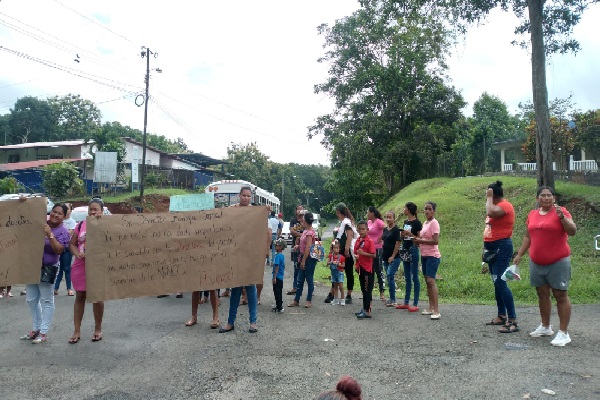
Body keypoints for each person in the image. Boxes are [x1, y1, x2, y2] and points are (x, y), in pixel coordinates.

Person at [513, 186, 577, 346]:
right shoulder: (533, 214)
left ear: (554, 198)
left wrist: (562, 218)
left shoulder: (561, 212)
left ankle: (563, 333)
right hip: (536, 262)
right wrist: (520, 254)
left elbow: (573, 231)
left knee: (560, 295)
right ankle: (545, 326)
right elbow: (528, 237)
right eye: (543, 195)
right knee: (542, 294)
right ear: (537, 199)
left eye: (549, 195)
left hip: (558, 261)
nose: (546, 198)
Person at [219, 185, 271, 334]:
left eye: (248, 196)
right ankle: (230, 322)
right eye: (244, 196)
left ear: (251, 198)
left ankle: (253, 322)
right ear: (239, 196)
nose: (246, 198)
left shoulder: (256, 213)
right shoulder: (232, 210)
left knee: (251, 289)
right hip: (235, 255)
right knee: (235, 290)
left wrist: (265, 210)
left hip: (250, 256)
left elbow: (266, 231)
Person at [20, 201, 70, 344]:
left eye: (60, 213)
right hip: (31, 266)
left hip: (48, 267)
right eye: (54, 211)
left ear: (64, 217)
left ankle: (43, 332)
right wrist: (23, 202)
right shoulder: (39, 223)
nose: (55, 215)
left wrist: (50, 235)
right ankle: (35, 329)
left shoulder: (63, 231)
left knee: (47, 300)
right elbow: (24, 216)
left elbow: (59, 250)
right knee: (31, 300)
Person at [68, 198, 106, 343]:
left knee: (97, 297)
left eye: (96, 209)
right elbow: (72, 244)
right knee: (80, 297)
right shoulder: (80, 225)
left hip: (98, 266)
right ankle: (77, 331)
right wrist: (77, 253)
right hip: (80, 265)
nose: (92, 212)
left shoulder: (106, 225)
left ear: (102, 211)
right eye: (91, 209)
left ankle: (98, 328)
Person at [482, 181, 518, 333]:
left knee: (501, 282)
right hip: (491, 248)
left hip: (502, 248)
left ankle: (513, 320)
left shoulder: (505, 205)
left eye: (488, 193)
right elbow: (488, 228)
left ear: (492, 193)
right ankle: (501, 315)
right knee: (496, 282)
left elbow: (490, 212)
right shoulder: (495, 206)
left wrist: (489, 197)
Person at [412, 201, 441, 320]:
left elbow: (435, 241)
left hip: (432, 256)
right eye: (425, 209)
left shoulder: (434, 223)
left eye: (429, 209)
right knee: (427, 281)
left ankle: (437, 310)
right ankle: (431, 307)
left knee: (431, 281)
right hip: (424, 255)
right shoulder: (425, 223)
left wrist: (421, 241)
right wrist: (416, 240)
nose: (427, 211)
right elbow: (423, 239)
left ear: (434, 211)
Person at [396, 202, 423, 312]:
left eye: (405, 208)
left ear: (409, 209)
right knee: (407, 277)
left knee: (414, 276)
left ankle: (415, 303)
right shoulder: (405, 221)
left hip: (413, 249)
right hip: (405, 249)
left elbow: (418, 240)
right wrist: (403, 234)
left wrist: (410, 234)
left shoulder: (417, 223)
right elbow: (404, 237)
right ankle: (406, 302)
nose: (403, 209)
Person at [288, 212, 317, 308]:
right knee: (300, 280)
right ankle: (296, 300)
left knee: (309, 279)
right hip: (302, 257)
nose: (301, 220)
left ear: (306, 221)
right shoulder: (305, 231)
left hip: (308, 259)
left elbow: (308, 248)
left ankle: (309, 300)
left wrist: (304, 261)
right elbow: (304, 244)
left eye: (303, 219)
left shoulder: (309, 233)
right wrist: (298, 246)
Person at [331, 203, 358, 305]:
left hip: (346, 251)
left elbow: (349, 235)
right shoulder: (342, 222)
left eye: (337, 212)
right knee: (336, 272)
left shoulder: (347, 222)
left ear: (339, 212)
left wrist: (346, 249)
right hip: (339, 250)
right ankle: (333, 294)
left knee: (348, 272)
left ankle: (349, 295)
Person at [354, 220, 376, 319]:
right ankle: (364, 308)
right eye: (360, 229)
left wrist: (363, 254)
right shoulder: (358, 240)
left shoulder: (369, 241)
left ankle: (367, 311)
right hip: (361, 268)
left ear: (367, 230)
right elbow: (357, 253)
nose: (361, 231)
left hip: (368, 269)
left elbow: (373, 255)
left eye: (363, 229)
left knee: (367, 290)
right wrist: (357, 257)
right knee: (363, 289)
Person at [54, 202, 76, 296]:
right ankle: (55, 288)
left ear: (71, 211)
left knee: (67, 268)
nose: (66, 210)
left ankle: (69, 288)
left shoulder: (72, 222)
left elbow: (67, 235)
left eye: (68, 209)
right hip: (57, 247)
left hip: (67, 248)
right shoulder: (58, 221)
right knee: (58, 268)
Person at [381, 211, 402, 307]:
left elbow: (397, 244)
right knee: (389, 278)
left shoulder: (396, 230)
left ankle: (393, 299)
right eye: (387, 217)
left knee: (390, 275)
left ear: (394, 218)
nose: (388, 219)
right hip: (385, 257)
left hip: (394, 257)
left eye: (390, 217)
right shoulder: (385, 229)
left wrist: (393, 256)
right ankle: (391, 298)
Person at [366, 206, 386, 301]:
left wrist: (381, 237)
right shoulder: (369, 223)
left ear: (372, 213)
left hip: (377, 248)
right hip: (369, 249)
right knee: (370, 270)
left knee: (378, 269)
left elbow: (386, 229)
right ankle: (368, 291)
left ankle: (382, 291)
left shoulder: (378, 222)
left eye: (368, 212)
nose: (367, 214)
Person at [287, 205, 304, 295]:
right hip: (295, 247)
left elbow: (309, 230)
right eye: (298, 209)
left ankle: (306, 288)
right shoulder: (293, 220)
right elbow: (292, 231)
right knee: (296, 267)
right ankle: (295, 287)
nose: (299, 210)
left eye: (301, 209)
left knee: (305, 267)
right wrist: (302, 235)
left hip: (304, 247)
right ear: (295, 211)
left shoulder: (305, 220)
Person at [328, 240, 346, 305]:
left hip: (339, 273)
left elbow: (344, 265)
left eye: (337, 248)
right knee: (335, 286)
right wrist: (331, 262)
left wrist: (339, 264)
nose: (336, 249)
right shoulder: (330, 256)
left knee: (341, 287)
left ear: (339, 249)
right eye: (334, 248)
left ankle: (342, 299)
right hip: (333, 273)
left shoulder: (342, 257)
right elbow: (327, 263)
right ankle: (336, 299)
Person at [271, 238, 286, 313]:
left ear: (280, 247)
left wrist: (274, 277)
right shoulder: (282, 256)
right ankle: (279, 305)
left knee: (277, 292)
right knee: (279, 292)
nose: (275, 246)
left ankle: (279, 307)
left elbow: (277, 266)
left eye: (276, 245)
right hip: (281, 277)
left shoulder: (277, 256)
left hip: (277, 277)